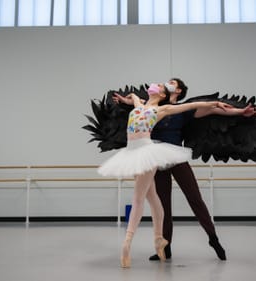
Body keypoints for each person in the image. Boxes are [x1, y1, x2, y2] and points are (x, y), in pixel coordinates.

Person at [113, 79, 256, 262]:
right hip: (156, 159)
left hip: (175, 156)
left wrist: (240, 112)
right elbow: (135, 102)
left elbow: (213, 109)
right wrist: (124, 100)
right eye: (166, 82)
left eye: (172, 82)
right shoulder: (155, 105)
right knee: (163, 203)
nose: (167, 83)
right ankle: (166, 248)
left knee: (194, 198)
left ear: (179, 90)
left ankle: (213, 239)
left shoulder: (182, 110)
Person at [98, 83, 230, 268]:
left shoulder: (166, 109)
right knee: (156, 200)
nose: (159, 84)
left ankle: (128, 243)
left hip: (158, 154)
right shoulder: (140, 104)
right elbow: (133, 97)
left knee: (161, 199)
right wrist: (124, 99)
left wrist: (217, 103)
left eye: (164, 85)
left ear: (167, 93)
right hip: (139, 154)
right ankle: (161, 242)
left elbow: (193, 106)